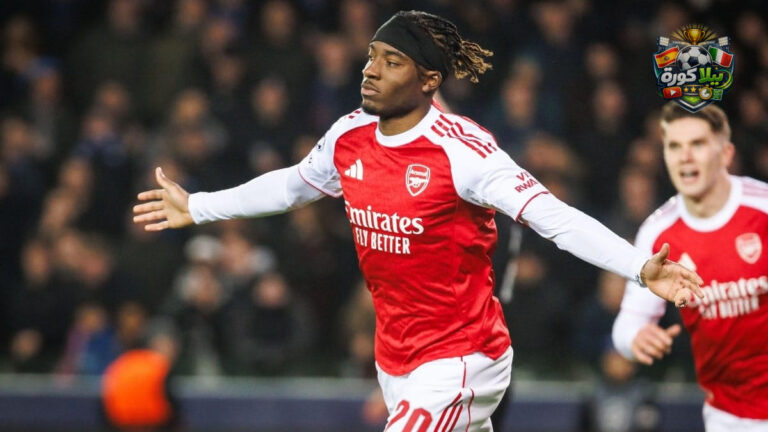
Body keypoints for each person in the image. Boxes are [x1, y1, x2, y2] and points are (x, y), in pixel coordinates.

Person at [134, 11, 702, 431]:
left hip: (464, 355)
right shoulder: (349, 135)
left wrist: (638, 267)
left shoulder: (464, 152)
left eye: (392, 62)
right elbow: (289, 187)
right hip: (395, 357)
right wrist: (198, 206)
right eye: (371, 57)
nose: (371, 71)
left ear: (429, 80)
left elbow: (554, 218)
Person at [612, 103, 768, 430]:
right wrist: (636, 338)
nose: (685, 157)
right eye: (674, 146)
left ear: (725, 154)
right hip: (728, 416)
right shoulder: (657, 234)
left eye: (697, 144)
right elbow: (626, 325)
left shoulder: (762, 207)